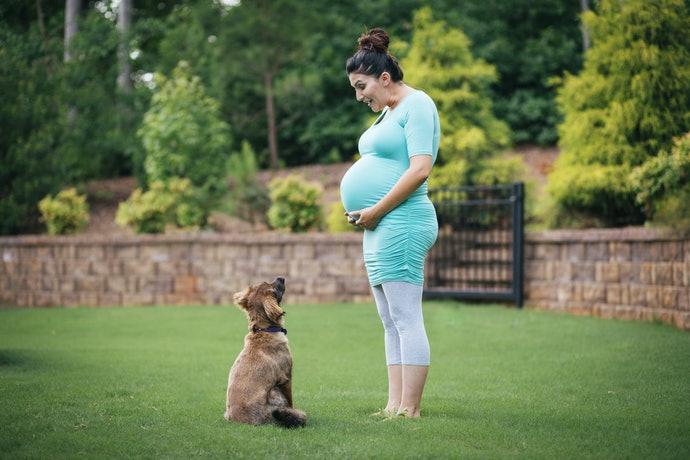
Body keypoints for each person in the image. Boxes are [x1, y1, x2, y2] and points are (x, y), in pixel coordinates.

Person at [340, 27, 440, 418]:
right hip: (381, 225)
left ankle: (410, 409)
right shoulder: (387, 112)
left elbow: (419, 170)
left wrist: (376, 209)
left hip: (404, 220)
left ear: (384, 78)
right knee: (389, 321)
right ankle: (393, 405)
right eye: (354, 88)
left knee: (405, 317)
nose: (359, 95)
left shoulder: (418, 105)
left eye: (362, 86)